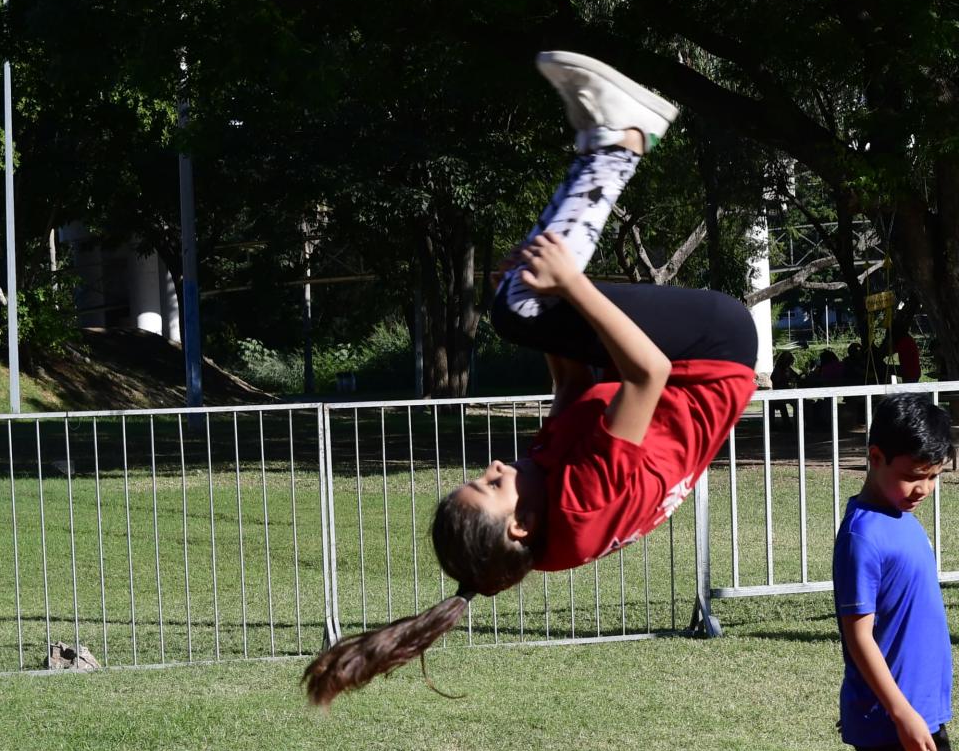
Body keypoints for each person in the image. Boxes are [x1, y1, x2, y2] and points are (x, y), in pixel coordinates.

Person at [304, 52, 757, 706]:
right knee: (520, 306)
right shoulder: (581, 504)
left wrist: (541, 312)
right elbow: (649, 373)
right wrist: (567, 286)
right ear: (517, 525)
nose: (494, 466)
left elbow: (573, 390)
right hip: (712, 352)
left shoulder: (543, 505)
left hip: (676, 367)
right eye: (491, 484)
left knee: (520, 304)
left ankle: (606, 141)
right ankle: (621, 141)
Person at [833, 393, 959, 751]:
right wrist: (902, 713)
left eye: (932, 477)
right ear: (876, 456)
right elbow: (858, 636)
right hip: (891, 720)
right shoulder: (863, 534)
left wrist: (922, 708)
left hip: (925, 711)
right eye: (913, 476)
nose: (922, 489)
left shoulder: (902, 519)